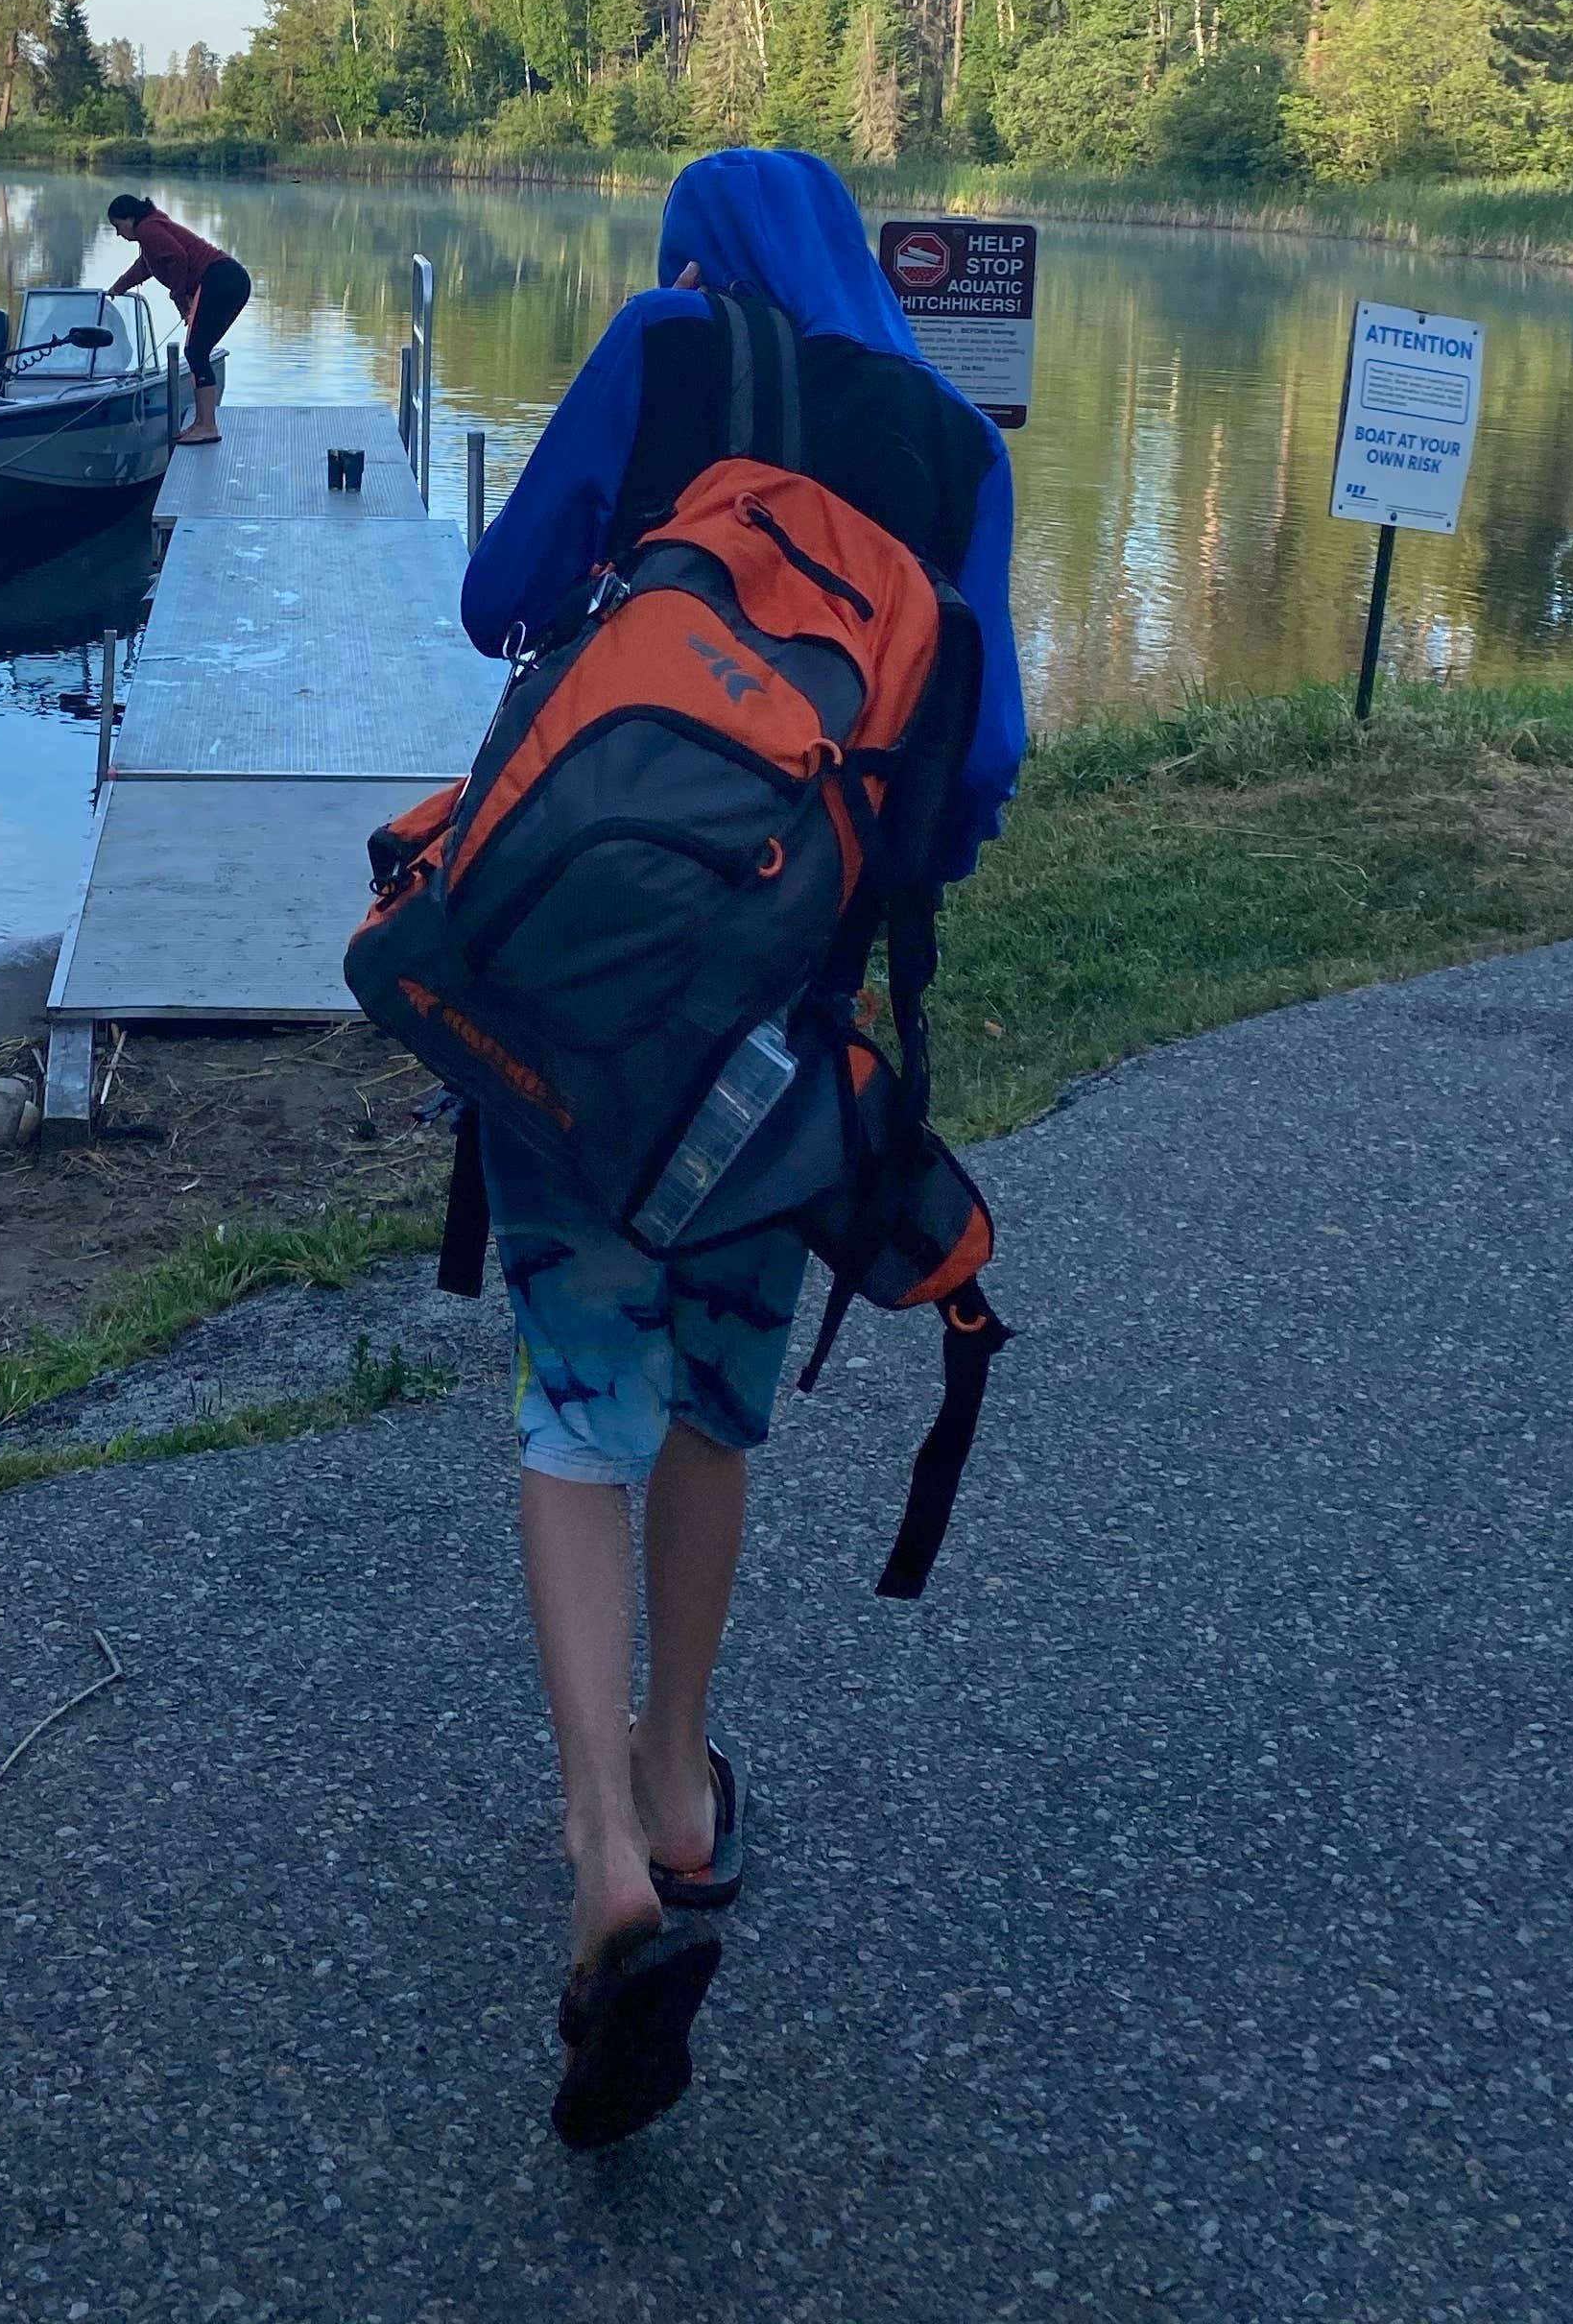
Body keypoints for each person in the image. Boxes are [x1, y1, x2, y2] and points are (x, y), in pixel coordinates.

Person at [452, 146, 1025, 2147]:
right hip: (780, 1011)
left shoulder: (664, 344)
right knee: (710, 1383)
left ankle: (600, 1847)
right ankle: (684, 1787)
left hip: (563, 989)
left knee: (571, 1390)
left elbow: (494, 596)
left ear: (697, 256)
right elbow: (986, 771)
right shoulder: (955, 443)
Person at [103, 194, 252, 445]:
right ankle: (203, 423)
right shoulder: (151, 229)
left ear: (130, 218)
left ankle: (208, 426)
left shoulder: (148, 229)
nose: (119, 234)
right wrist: (118, 288)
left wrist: (179, 295)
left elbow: (178, 258)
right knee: (197, 351)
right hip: (228, 278)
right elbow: (146, 266)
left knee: (195, 351)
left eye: (118, 226)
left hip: (220, 278)